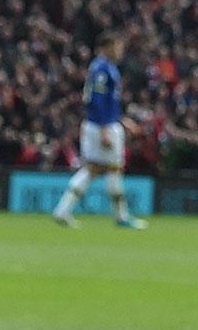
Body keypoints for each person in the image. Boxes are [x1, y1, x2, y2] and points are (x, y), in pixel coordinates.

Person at [52, 34, 148, 230]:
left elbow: (107, 102)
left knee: (92, 169)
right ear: (106, 47)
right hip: (101, 126)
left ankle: (63, 210)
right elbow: (97, 100)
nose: (120, 52)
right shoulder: (103, 69)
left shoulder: (100, 68)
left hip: (96, 124)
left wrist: (121, 119)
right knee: (113, 169)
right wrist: (106, 127)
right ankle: (121, 217)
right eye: (117, 47)